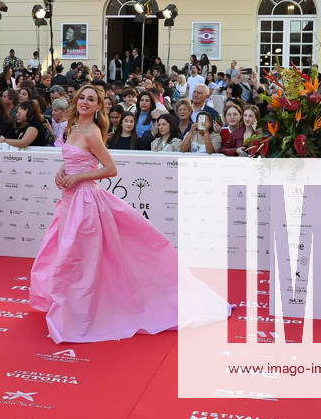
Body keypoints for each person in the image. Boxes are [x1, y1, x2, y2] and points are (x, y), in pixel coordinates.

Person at [29, 83, 228, 343]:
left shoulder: (91, 132)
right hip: (70, 200)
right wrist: (62, 171)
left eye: (91, 99)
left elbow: (111, 169)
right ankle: (72, 307)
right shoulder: (72, 128)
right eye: (83, 98)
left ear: (98, 106)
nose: (85, 102)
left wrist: (79, 177)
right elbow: (72, 159)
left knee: (81, 259)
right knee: (67, 254)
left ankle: (83, 313)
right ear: (76, 100)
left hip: (86, 202)